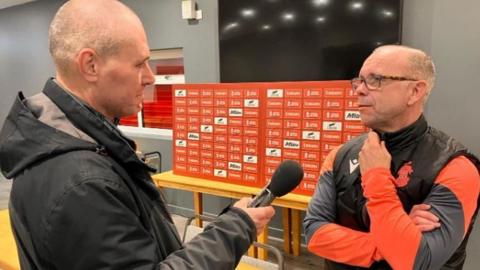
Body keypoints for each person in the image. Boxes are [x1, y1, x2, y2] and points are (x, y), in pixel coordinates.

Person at [0, 1, 275, 269]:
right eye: (139, 64)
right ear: (90, 65)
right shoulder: (83, 184)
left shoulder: (63, 142)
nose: (150, 77)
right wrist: (233, 230)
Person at [303, 45, 480, 270]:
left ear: (415, 91)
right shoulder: (339, 155)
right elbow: (314, 233)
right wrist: (393, 241)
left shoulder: (456, 166)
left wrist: (376, 177)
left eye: (376, 79)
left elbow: (418, 260)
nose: (359, 90)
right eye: (359, 81)